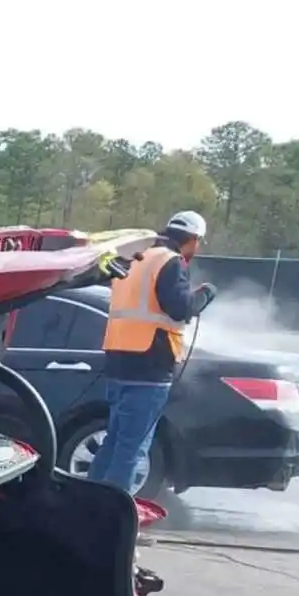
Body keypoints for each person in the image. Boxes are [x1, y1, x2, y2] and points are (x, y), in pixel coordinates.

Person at [90, 210, 217, 493]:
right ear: (193, 239)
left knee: (114, 442)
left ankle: (86, 504)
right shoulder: (171, 262)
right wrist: (205, 294)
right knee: (131, 450)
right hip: (149, 363)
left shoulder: (137, 258)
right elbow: (181, 309)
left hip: (119, 360)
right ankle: (108, 518)